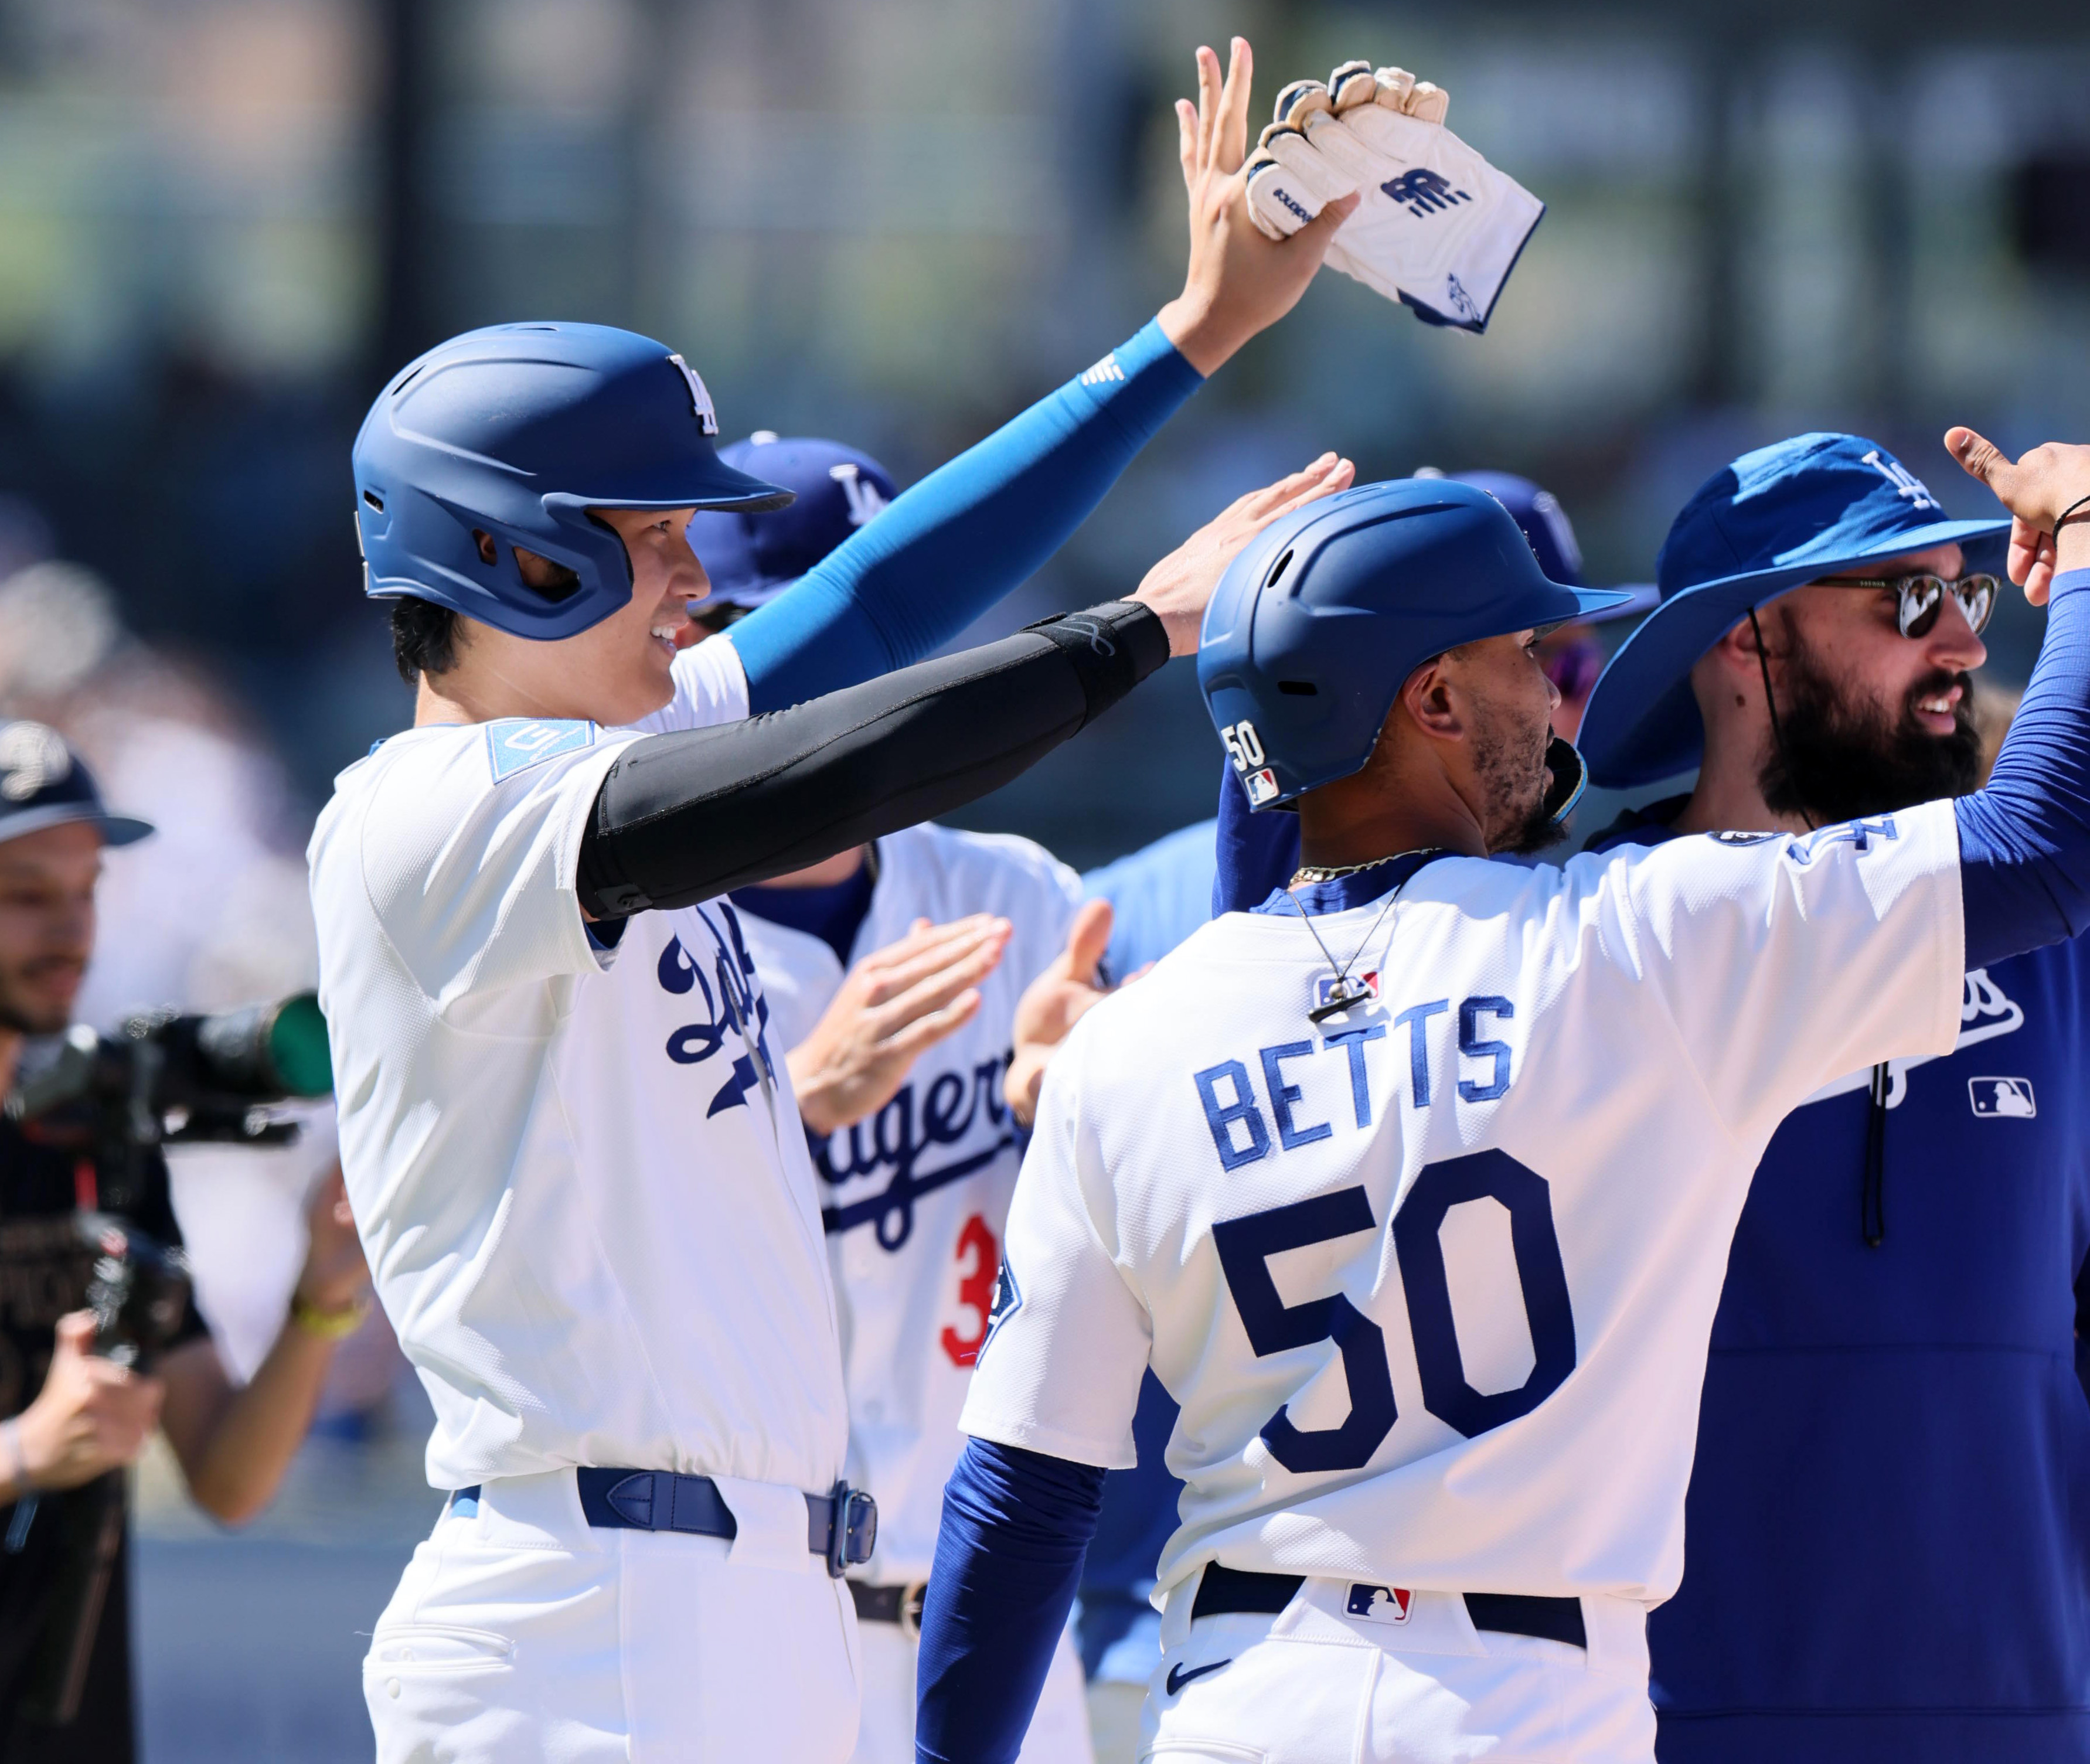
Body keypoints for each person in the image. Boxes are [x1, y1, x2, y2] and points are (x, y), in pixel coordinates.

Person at [318, 38, 1363, 1761]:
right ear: (510, 552)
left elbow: (879, 603)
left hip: (756, 1609)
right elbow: (837, 765)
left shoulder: (610, 757)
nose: (692, 577)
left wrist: (1194, 337)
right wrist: (1125, 633)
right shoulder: (425, 816)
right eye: (653, 530)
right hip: (580, 1623)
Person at [910, 436, 2090, 1764]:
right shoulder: (1623, 942)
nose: (1557, 690)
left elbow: (1017, 1502)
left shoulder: (1128, 1046)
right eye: (1528, 655)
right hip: (1519, 1698)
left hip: (1240, 1690)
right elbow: (2043, 841)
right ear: (1432, 698)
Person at [1567, 432, 2088, 1761]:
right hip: (1659, 1721)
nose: (1963, 648)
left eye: (1968, 598)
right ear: (1747, 641)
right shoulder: (1585, 937)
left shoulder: (2051, 948)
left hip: (2021, 1720)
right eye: (1910, 604)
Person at [689, 432, 1094, 1762]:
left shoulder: (1016, 896)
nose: (841, 699)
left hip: (999, 1630)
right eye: (794, 649)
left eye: (874, 657)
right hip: (740, 1630)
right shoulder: (629, 939)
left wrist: (1078, 1116)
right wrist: (787, 1110)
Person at [0, 723, 369, 1764]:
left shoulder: (97, 1131)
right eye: (30, 893)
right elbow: (47, 1444)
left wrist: (321, 1296)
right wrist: (28, 1450)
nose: (72, 929)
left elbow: (227, 1479)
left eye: (87, 889)